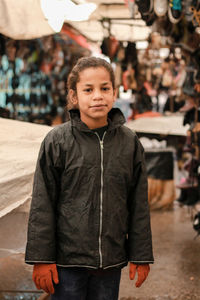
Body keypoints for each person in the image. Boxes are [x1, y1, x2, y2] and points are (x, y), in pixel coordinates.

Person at [25, 56, 154, 300]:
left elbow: (138, 204)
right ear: (74, 96)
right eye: (88, 89)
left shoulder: (129, 143)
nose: (98, 96)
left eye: (105, 88)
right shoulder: (57, 141)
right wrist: (42, 259)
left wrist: (140, 255)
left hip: (110, 261)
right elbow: (43, 204)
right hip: (67, 262)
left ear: (114, 92)